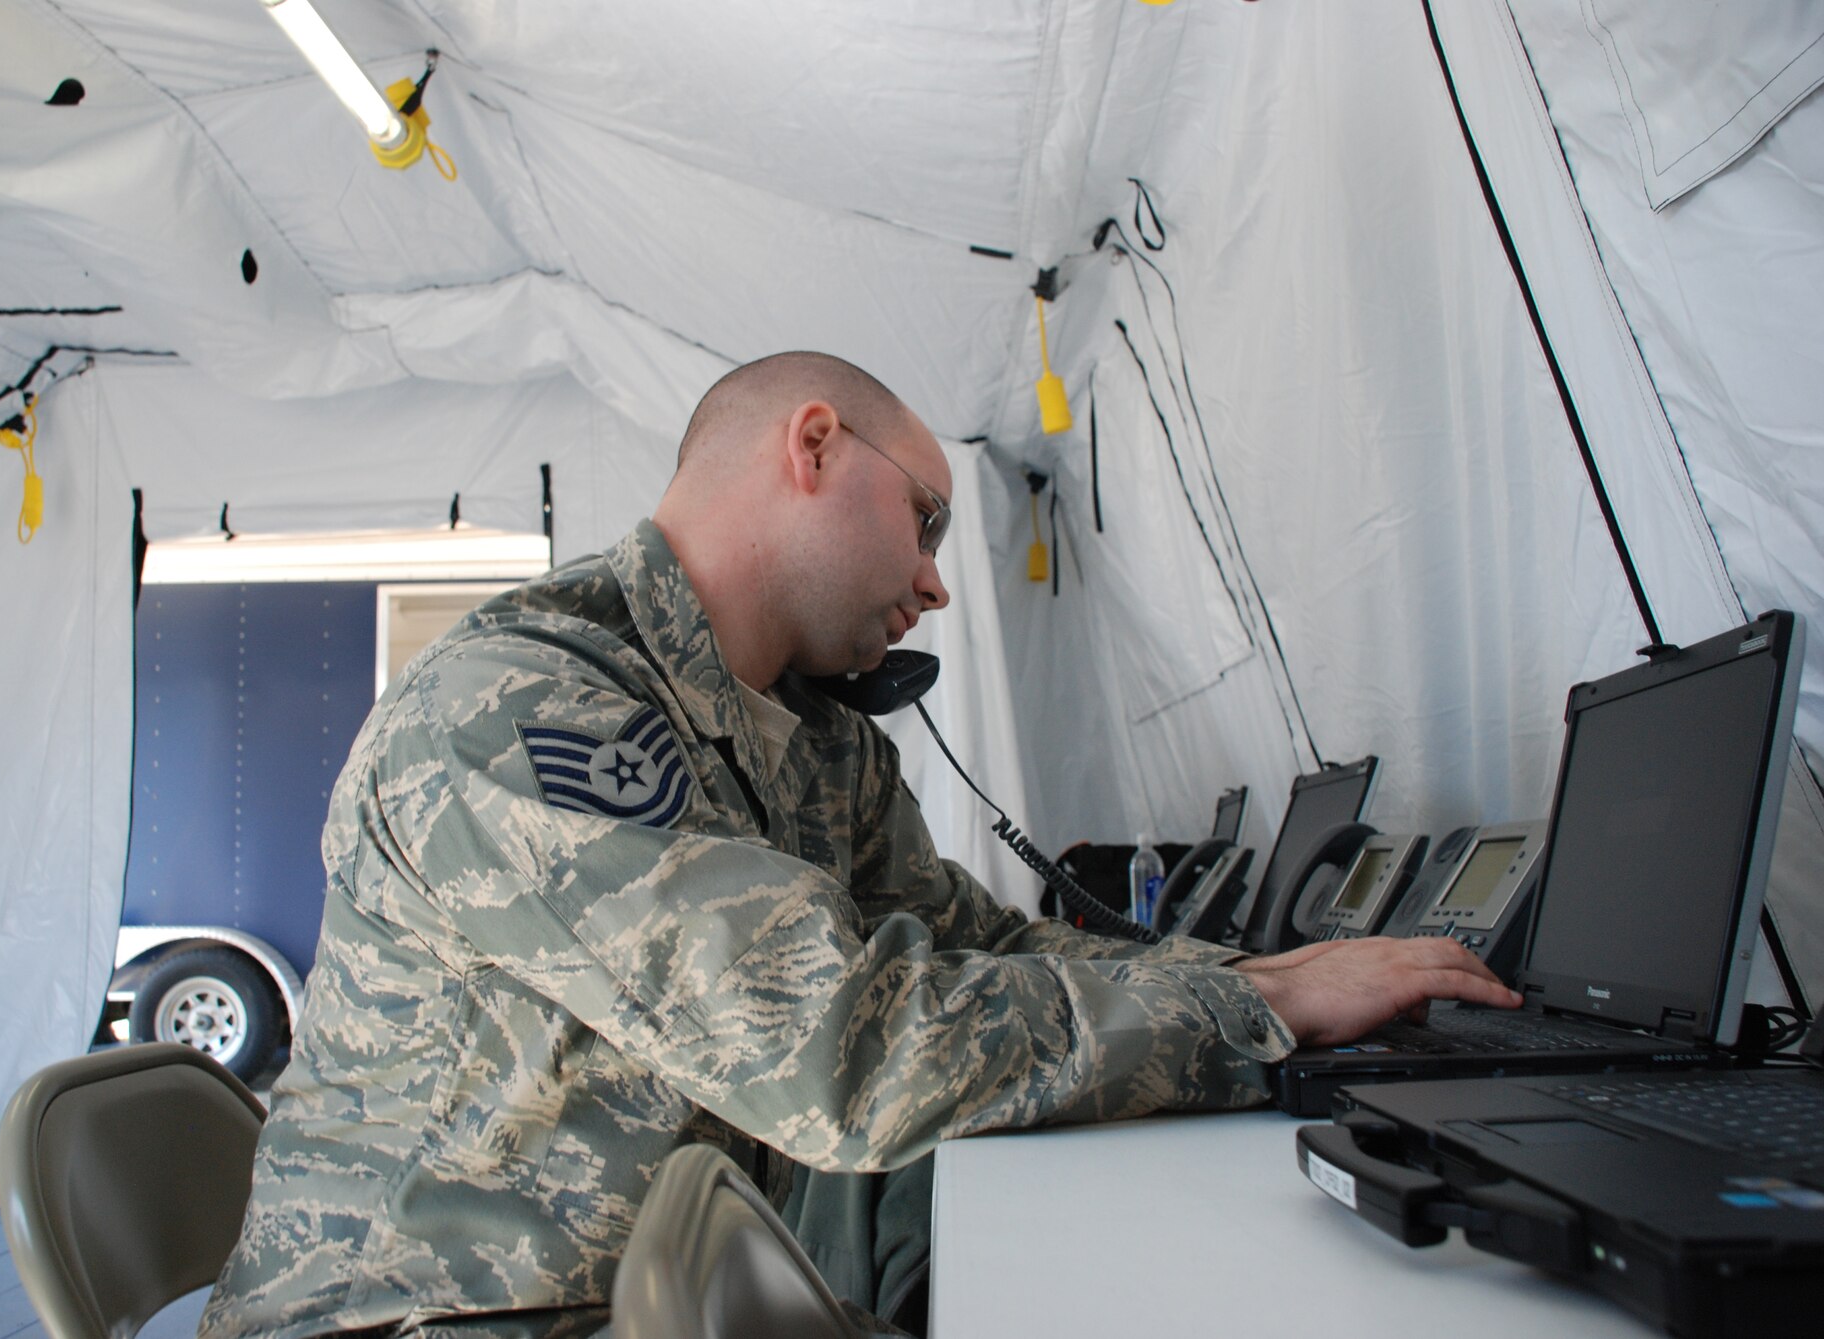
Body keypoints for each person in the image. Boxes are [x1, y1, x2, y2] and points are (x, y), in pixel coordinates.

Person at [199, 352, 1518, 1339]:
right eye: (927, 519)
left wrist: (1263, 981)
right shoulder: (528, 708)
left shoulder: (810, 736)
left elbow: (977, 946)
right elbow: (851, 1053)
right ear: (815, 446)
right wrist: (1252, 1020)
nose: (938, 579)